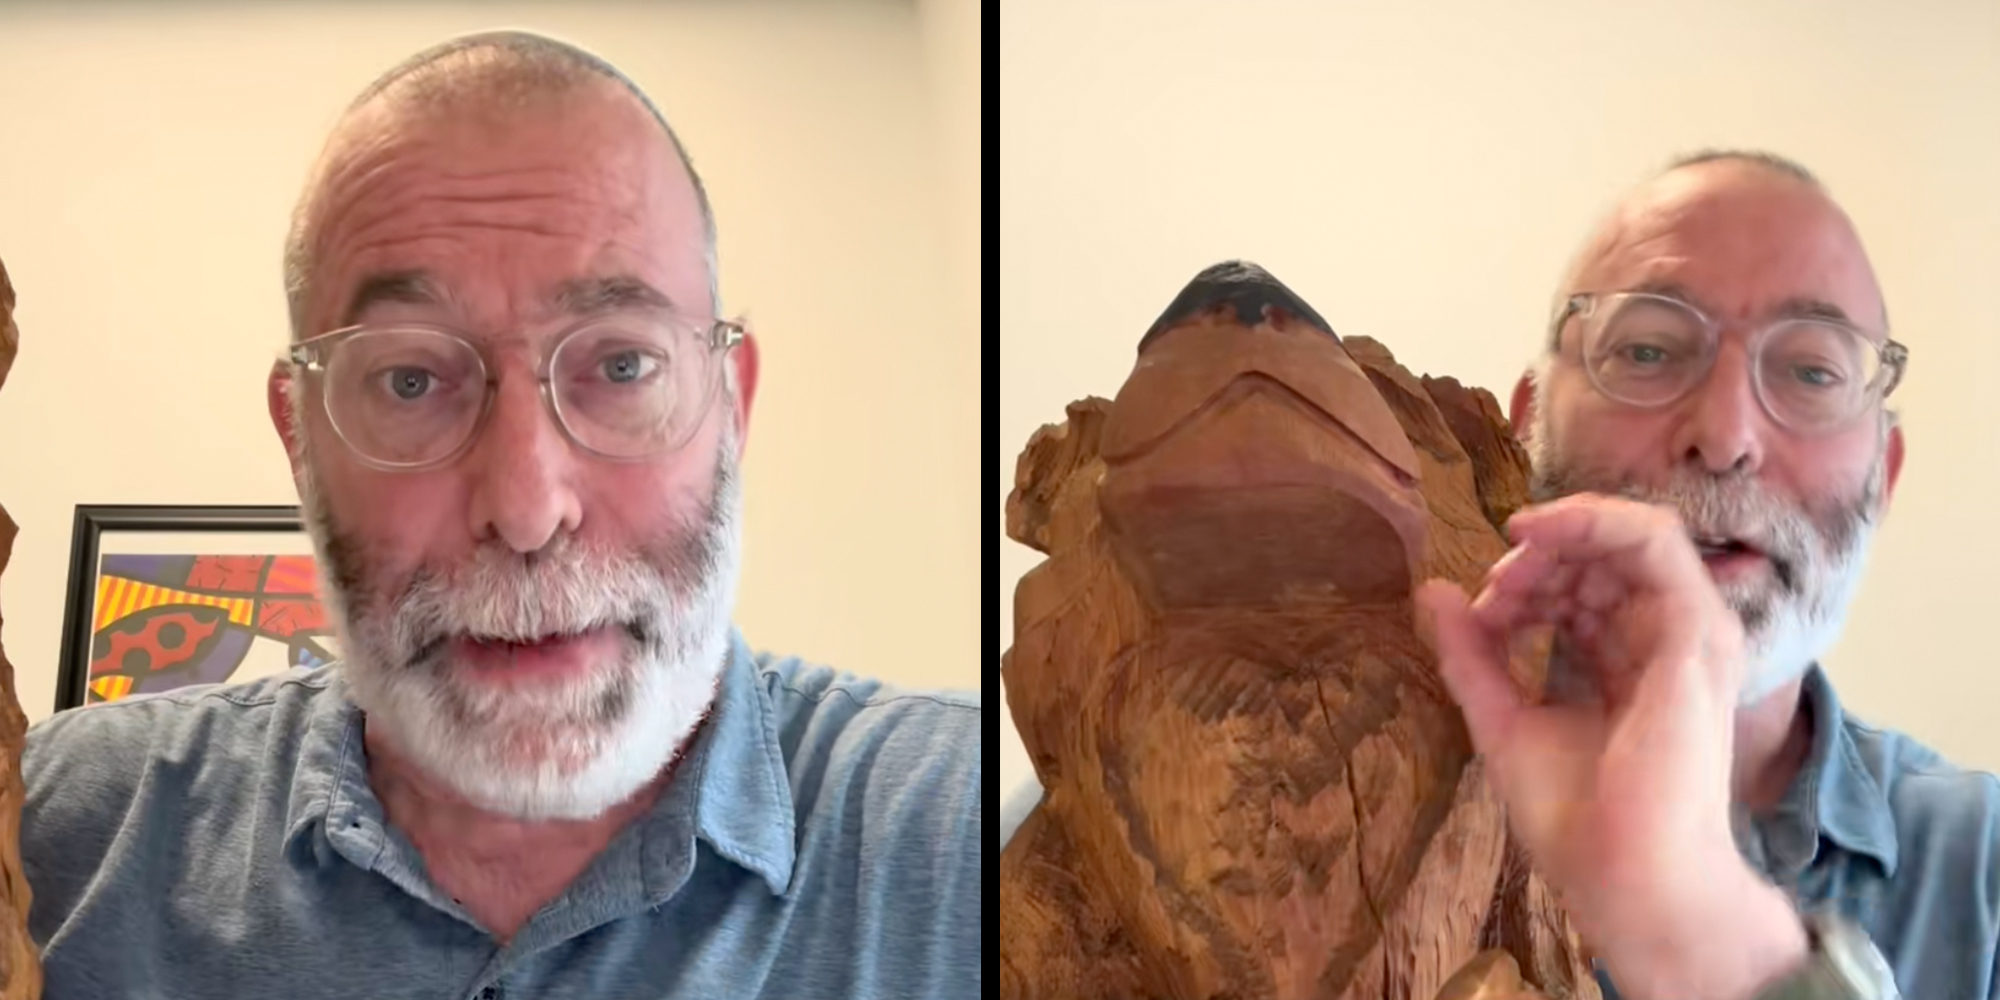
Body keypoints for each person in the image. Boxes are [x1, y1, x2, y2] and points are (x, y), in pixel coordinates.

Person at [18, 30, 981, 1000]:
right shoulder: (55, 830)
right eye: (408, 378)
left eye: (619, 366)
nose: (525, 509)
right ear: (298, 434)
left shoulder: (975, 841)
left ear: (732, 405)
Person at [1002, 151, 1999, 999]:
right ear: (1518, 432)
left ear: (1883, 473)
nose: (1726, 437)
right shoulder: (1040, 849)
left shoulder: (1980, 870)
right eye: (1647, 349)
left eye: (1811, 369)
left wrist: (1701, 923)